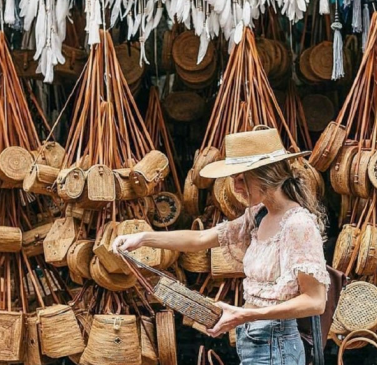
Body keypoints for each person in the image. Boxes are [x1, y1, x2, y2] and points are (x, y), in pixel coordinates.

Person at [112, 128, 330, 365]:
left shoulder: (298, 224)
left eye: (241, 178)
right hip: (253, 337)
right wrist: (143, 238)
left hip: (275, 342)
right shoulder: (258, 216)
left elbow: (315, 301)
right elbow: (200, 240)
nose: (235, 187)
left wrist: (246, 314)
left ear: (266, 175)